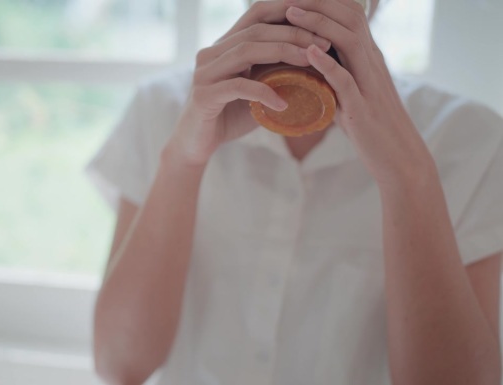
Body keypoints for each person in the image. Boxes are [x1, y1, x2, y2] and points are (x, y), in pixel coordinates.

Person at [85, 0, 503, 384]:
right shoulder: (164, 108)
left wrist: (408, 177)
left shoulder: (468, 141)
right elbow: (120, 364)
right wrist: (183, 162)